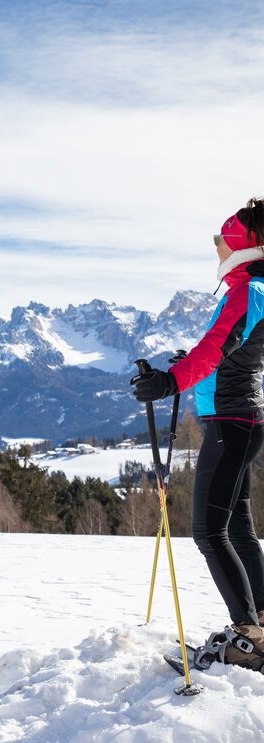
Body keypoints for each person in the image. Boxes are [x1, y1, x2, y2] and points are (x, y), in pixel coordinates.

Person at [131, 197, 264, 670]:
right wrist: (188, 367)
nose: (218, 255)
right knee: (239, 530)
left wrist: (170, 380)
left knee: (209, 532)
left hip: (231, 424)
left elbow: (215, 350)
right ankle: (260, 625)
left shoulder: (248, 290)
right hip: (245, 421)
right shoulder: (258, 289)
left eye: (220, 246)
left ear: (238, 247)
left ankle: (250, 639)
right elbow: (227, 352)